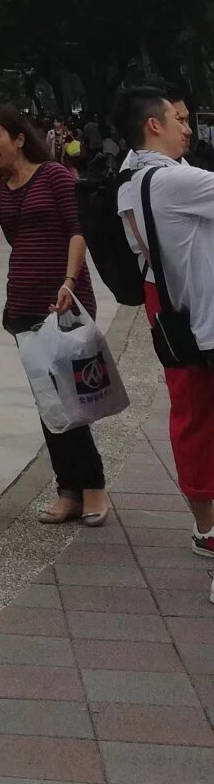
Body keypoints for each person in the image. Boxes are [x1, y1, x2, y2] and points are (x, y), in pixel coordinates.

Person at [0, 106, 106, 525]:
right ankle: (67, 489)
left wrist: (69, 281)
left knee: (71, 398)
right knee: (49, 401)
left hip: (64, 300)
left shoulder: (54, 175)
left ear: (19, 139)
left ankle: (93, 486)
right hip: (23, 302)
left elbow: (78, 229)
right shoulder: (3, 186)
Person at [116, 87, 214, 555]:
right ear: (154, 125)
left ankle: (205, 526)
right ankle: (208, 531)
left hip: (175, 316)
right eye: (179, 119)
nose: (187, 129)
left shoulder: (129, 179)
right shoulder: (172, 182)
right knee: (196, 420)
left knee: (193, 417)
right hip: (200, 319)